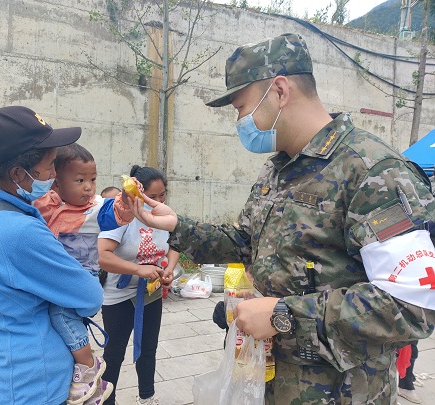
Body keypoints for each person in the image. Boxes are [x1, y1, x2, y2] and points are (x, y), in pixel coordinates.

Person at [128, 33, 435, 404]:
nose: (239, 121)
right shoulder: (277, 170)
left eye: (241, 107)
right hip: (269, 382)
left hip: (341, 393)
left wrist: (281, 315)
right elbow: (246, 241)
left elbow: (412, 304)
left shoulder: (373, 170)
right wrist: (179, 227)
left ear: (279, 91)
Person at [0, 106, 103, 405]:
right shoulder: (17, 230)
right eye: (49, 167)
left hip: (6, 371)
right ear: (17, 174)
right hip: (36, 385)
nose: (54, 175)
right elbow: (89, 297)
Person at [33, 143, 136, 404]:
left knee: (61, 314)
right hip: (57, 276)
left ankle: (88, 366)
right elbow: (15, 200)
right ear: (56, 183)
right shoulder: (46, 203)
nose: (89, 187)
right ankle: (89, 384)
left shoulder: (95, 208)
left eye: (93, 179)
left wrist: (126, 200)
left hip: (82, 276)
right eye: (80, 180)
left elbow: (116, 214)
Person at [97, 165, 179, 405]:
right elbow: (103, 256)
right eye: (152, 196)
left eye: (162, 195)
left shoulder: (165, 215)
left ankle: (147, 397)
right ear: (138, 195)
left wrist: (169, 269)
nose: (158, 201)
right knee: (114, 354)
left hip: (150, 292)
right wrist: (137, 269)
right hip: (119, 296)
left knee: (148, 349)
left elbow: (176, 243)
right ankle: (106, 401)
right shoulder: (122, 216)